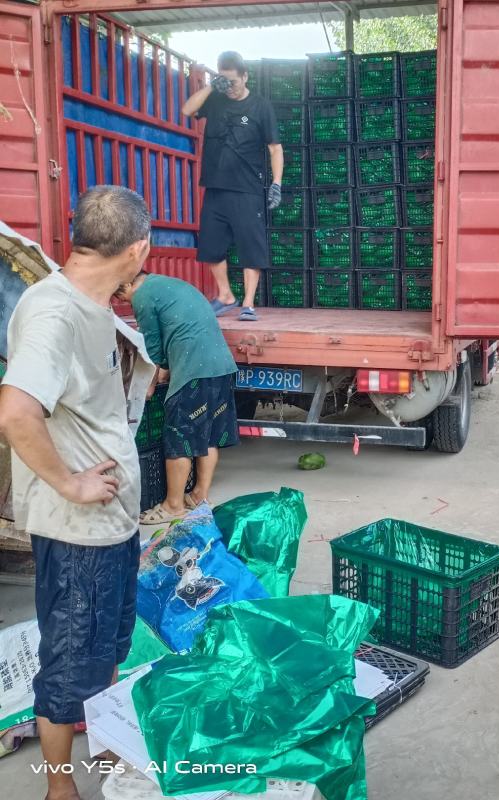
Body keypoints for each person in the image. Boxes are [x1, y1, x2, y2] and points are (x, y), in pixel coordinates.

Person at [0, 186, 153, 800]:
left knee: (103, 652)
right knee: (68, 666)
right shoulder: (56, 311)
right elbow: (15, 411)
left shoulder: (89, 305)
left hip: (110, 528)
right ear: (140, 249)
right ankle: (59, 788)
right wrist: (68, 481)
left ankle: (109, 757)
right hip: (78, 536)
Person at [114, 272, 240, 524]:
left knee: (178, 439)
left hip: (194, 372)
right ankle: (199, 497)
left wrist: (148, 385)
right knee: (208, 435)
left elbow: (153, 349)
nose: (128, 302)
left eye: (123, 296)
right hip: (222, 368)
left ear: (128, 283)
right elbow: (181, 331)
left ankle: (173, 505)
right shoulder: (171, 284)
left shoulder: (143, 296)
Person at [181, 50, 283, 322]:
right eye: (224, 81)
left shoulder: (260, 106)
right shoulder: (215, 98)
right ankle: (225, 295)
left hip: (247, 188)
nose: (230, 87)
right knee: (211, 246)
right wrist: (212, 85)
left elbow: (275, 148)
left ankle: (248, 304)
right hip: (215, 187)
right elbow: (187, 110)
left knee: (251, 246)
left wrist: (277, 183)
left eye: (233, 82)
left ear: (245, 77)